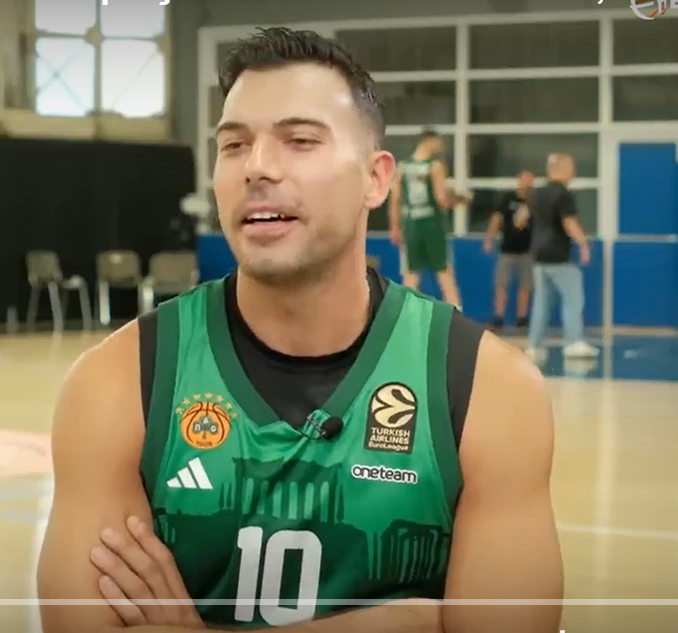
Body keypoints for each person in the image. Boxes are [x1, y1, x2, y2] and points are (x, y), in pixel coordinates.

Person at [37, 27, 563, 633]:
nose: (257, 167)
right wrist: (400, 623)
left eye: (300, 141)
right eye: (234, 145)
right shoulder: (119, 382)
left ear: (376, 178)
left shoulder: (485, 388)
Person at [526, 154, 599, 360]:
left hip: (539, 254)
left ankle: (534, 345)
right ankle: (573, 342)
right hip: (558, 253)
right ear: (562, 168)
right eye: (571, 167)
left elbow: (527, 221)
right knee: (573, 298)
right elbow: (569, 223)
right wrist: (583, 244)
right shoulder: (563, 194)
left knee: (541, 302)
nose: (573, 171)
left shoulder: (537, 194)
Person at [388, 129, 468, 310]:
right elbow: (441, 199)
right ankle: (455, 311)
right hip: (432, 223)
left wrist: (394, 227)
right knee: (443, 269)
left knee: (411, 272)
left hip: (410, 223)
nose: (440, 146)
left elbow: (395, 199)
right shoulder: (434, 166)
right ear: (428, 141)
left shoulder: (403, 167)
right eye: (438, 142)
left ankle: (406, 313)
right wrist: (460, 200)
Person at [483, 171, 535, 332]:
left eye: (530, 181)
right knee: (501, 285)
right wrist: (489, 238)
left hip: (527, 250)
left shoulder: (534, 202)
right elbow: (496, 219)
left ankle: (522, 318)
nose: (527, 185)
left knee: (525, 285)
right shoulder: (507, 199)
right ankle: (498, 317)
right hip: (507, 249)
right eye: (524, 181)